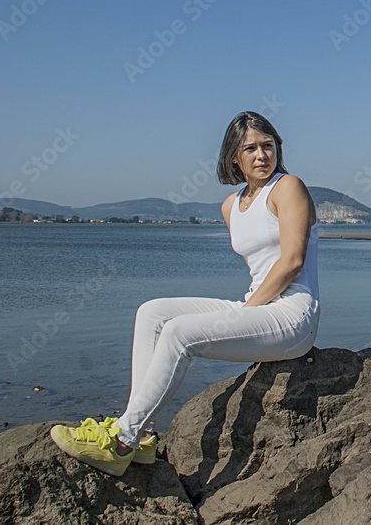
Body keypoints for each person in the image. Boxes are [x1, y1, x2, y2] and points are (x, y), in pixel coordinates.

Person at [50, 111, 321, 476]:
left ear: (278, 148)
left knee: (180, 334)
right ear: (233, 159)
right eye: (251, 148)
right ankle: (142, 435)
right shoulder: (231, 206)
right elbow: (259, 266)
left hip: (293, 316)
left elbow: (290, 262)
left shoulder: (288, 187)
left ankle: (121, 441)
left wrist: (243, 313)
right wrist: (245, 310)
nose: (262, 155)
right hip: (258, 307)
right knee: (152, 312)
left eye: (268, 146)